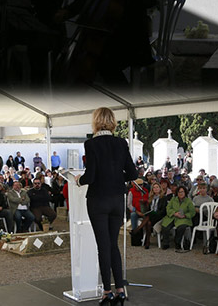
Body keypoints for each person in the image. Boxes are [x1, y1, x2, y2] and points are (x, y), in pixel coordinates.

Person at [78, 107, 137, 305]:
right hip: (116, 200)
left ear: (95, 121)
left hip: (98, 200)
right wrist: (115, 176)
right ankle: (120, 288)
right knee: (113, 245)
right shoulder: (121, 143)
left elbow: (91, 175)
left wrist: (79, 180)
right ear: (112, 121)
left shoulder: (91, 144)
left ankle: (106, 291)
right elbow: (132, 174)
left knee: (103, 246)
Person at [160, 184, 195, 250]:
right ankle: (165, 243)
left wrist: (185, 215)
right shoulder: (173, 199)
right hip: (173, 216)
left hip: (183, 218)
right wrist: (174, 213)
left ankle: (177, 242)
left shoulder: (188, 201)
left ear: (185, 192)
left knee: (182, 227)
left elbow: (192, 212)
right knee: (165, 226)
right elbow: (168, 208)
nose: (181, 193)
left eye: (182, 192)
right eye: (179, 192)